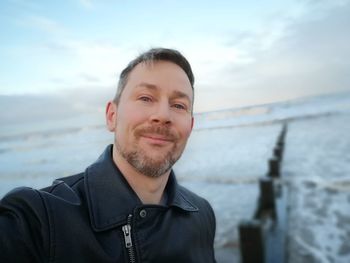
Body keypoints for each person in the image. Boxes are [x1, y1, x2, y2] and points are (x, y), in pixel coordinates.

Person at [0, 48, 217, 262]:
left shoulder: (202, 214)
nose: (162, 115)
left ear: (190, 125)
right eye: (145, 97)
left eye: (179, 105)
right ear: (112, 116)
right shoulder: (37, 220)